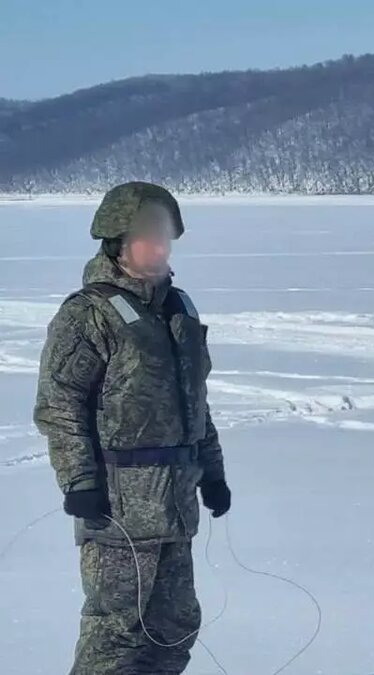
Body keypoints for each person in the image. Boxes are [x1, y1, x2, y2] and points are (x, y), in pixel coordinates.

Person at [34, 182, 230, 675]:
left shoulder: (179, 309)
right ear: (117, 241)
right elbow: (59, 404)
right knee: (115, 636)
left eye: (165, 237)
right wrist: (79, 481)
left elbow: (195, 402)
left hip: (177, 507)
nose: (160, 247)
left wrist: (212, 472)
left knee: (176, 627)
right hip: (118, 512)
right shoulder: (88, 314)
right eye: (148, 236)